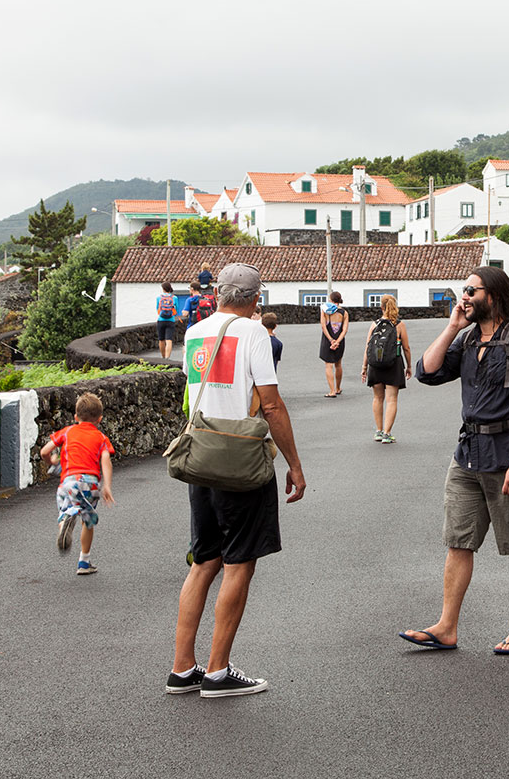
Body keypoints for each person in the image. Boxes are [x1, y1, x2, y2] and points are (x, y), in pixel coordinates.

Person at [167, 262, 306, 698]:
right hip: (239, 459)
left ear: (218, 293)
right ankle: (217, 671)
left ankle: (182, 668)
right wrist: (295, 465)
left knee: (204, 560)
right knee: (239, 561)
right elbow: (272, 405)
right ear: (255, 298)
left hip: (201, 454)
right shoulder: (254, 333)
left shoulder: (194, 333)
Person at [400, 266, 509, 655]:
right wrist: (452, 326)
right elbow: (427, 373)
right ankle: (447, 627)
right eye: (463, 290)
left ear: (493, 295)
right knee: (458, 542)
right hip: (468, 456)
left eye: (471, 290)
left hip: (508, 456)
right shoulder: (467, 338)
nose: (464, 296)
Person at [39, 392, 115, 576]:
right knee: (88, 522)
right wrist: (107, 485)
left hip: (69, 482)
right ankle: (84, 562)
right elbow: (106, 460)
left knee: (66, 509)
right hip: (90, 484)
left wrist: (53, 461)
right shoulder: (101, 438)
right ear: (100, 419)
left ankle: (66, 517)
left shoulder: (67, 431)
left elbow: (44, 452)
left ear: (75, 417)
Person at [362, 294, 412, 443]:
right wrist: (409, 366)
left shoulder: (374, 324)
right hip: (393, 364)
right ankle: (387, 433)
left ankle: (378, 431)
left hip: (375, 365)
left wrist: (364, 367)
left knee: (377, 398)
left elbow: (368, 347)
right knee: (391, 400)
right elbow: (406, 348)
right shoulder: (399, 325)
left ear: (381, 307)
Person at [319, 291, 348, 397]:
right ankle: (338, 388)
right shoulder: (344, 313)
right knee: (338, 364)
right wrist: (337, 341)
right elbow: (344, 330)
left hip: (328, 340)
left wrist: (331, 340)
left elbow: (323, 326)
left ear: (331, 300)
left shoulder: (325, 310)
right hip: (340, 341)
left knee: (328, 365)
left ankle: (332, 391)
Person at [156, 282, 180, 359]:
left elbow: (157, 309)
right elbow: (177, 309)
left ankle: (163, 357)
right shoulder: (174, 298)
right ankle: (167, 357)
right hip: (171, 320)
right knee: (169, 340)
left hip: (161, 320)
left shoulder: (159, 298)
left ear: (163, 289)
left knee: (161, 340)